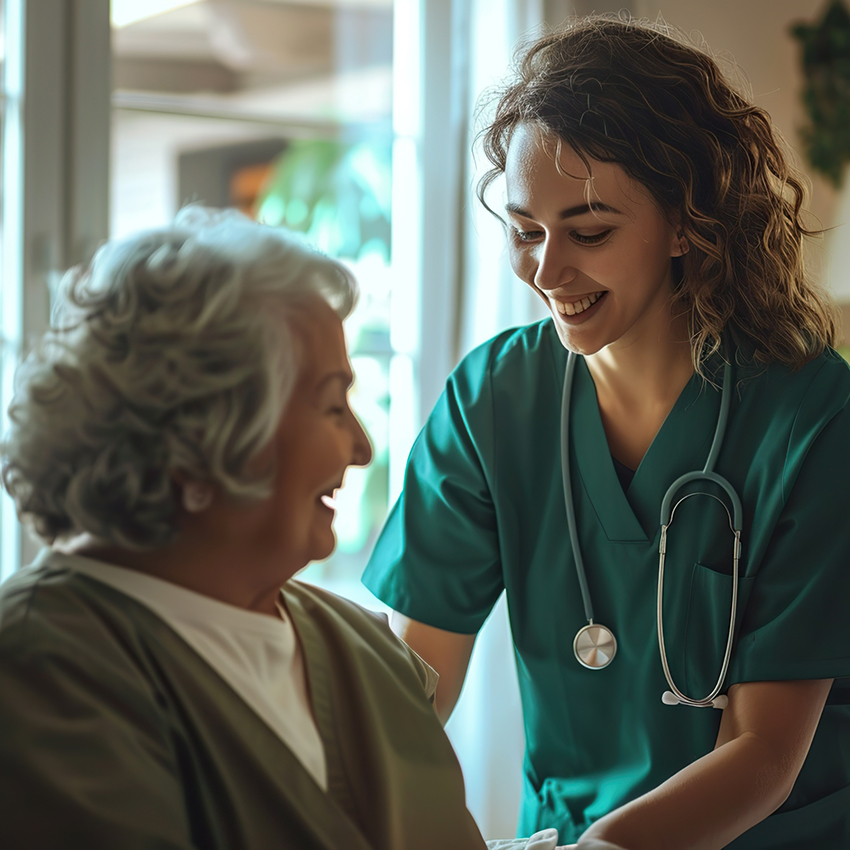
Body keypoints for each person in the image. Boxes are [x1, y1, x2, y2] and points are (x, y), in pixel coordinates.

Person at [362, 15, 850, 850]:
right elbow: (416, 684)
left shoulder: (812, 417)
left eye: (589, 233)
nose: (547, 273)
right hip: (567, 836)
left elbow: (765, 751)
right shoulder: (492, 401)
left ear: (690, 220)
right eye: (524, 231)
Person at [0, 207, 577, 850]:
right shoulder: (40, 672)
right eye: (332, 405)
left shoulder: (361, 648)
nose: (360, 448)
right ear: (199, 435)